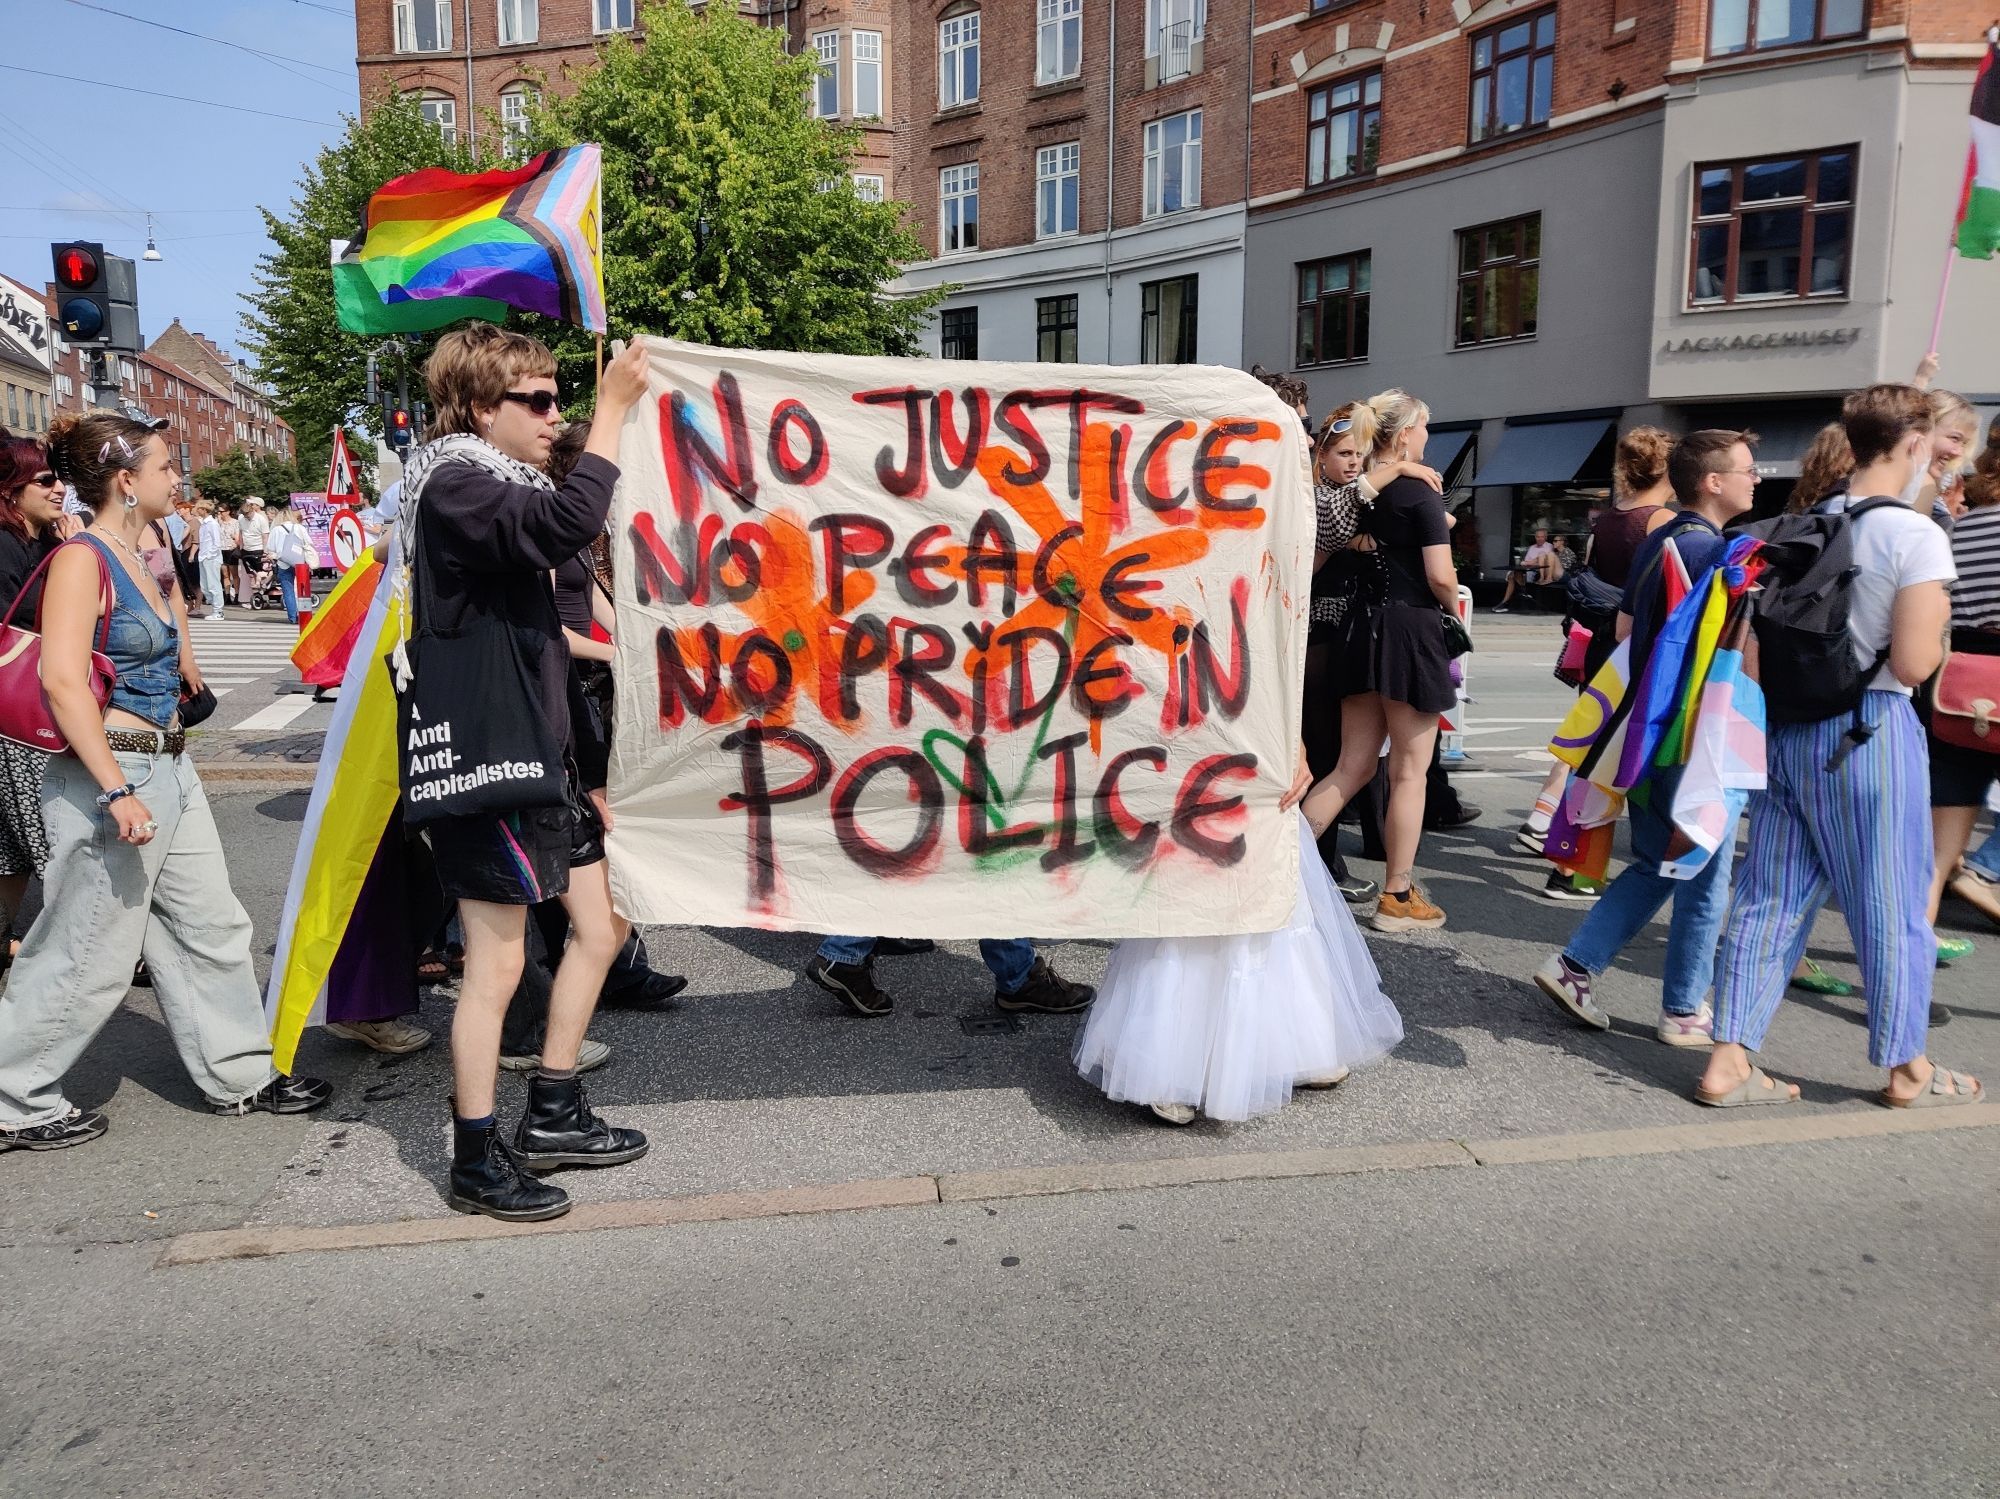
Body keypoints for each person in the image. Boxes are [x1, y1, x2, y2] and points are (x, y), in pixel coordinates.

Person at [0, 411, 332, 1151]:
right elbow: (60, 681)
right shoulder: (83, 557)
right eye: (163, 468)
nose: (176, 479)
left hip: (168, 766)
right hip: (112, 775)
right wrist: (116, 789)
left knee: (210, 925)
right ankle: (13, 1096)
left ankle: (240, 1073)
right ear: (126, 479)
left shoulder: (133, 546)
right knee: (85, 946)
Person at [396, 322, 652, 1222]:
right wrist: (614, 407)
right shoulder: (457, 486)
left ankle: (552, 1107)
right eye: (536, 401)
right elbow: (564, 526)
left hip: (541, 755)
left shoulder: (495, 481)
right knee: (497, 967)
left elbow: (534, 634)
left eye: (562, 397)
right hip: (487, 762)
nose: (557, 415)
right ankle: (475, 1156)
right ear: (477, 406)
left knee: (603, 922)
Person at [1698, 385, 1981, 1109]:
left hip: (1789, 733)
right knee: (1889, 903)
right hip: (1871, 733)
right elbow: (1915, 664)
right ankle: (1906, 1065)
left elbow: (1758, 644)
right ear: (1915, 444)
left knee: (1769, 897)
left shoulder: (1808, 522)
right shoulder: (1915, 535)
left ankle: (1728, 1056)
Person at [1530, 430, 1762, 1044]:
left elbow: (1629, 627)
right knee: (1701, 866)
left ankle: (1575, 964)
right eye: (1746, 468)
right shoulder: (1717, 551)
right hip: (1691, 729)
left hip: (1644, 724)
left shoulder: (1662, 538)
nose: (1756, 477)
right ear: (1712, 482)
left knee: (1664, 860)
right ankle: (1683, 1009)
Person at [1073, 753, 1403, 1125]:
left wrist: (1296, 744)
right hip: (1190, 732)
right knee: (1197, 890)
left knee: (1271, 887)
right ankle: (1171, 1064)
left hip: (1259, 747)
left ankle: (1293, 1047)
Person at [1300, 388, 1457, 932]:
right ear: (1407, 431)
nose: (1428, 439)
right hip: (1409, 631)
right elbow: (1439, 574)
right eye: (1425, 429)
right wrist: (1452, 603)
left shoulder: (1359, 493)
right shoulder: (1420, 491)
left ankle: (1284, 865)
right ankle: (1397, 894)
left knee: (1350, 766)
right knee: (1410, 772)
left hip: (1357, 633)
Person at [1517, 428, 1677, 890]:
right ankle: (1570, 866)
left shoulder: (1608, 519)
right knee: (1609, 756)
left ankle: (1562, 844)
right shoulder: (1660, 521)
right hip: (1636, 644)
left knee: (1591, 744)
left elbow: (1589, 575)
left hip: (1600, 642)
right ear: (1667, 467)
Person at [1924, 413, 2000, 939]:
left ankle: (1909, 965)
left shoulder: (1959, 528)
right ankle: (1991, 869)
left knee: (1935, 857)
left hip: (1959, 689)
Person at [0, 430, 63, 974]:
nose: (59, 487)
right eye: (44, 479)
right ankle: (99, 945)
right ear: (12, 490)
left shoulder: (46, 541)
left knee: (12, 843)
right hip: (19, 712)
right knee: (54, 835)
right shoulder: (5, 545)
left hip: (27, 702)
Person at [266, 501, 312, 624]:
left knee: (288, 590)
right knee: (303, 590)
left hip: (283, 563)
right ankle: (306, 615)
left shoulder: (276, 530)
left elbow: (270, 547)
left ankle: (293, 617)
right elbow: (308, 543)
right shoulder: (300, 528)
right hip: (300, 563)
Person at [1493, 527, 1558, 612]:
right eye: (1538, 537)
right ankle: (1516, 596)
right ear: (1535, 537)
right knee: (1512, 575)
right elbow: (1525, 562)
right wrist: (1528, 563)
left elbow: (1544, 562)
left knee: (1513, 576)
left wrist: (1530, 562)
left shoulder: (1549, 546)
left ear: (1546, 537)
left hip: (1539, 572)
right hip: (1528, 572)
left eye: (1542, 537)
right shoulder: (1531, 548)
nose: (1539, 539)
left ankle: (1508, 601)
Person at [193, 499, 225, 620]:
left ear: (204, 510)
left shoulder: (212, 524)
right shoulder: (204, 524)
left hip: (211, 558)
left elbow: (216, 543)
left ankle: (218, 610)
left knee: (213, 584)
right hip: (204, 557)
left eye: (199, 508)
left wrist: (208, 555)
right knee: (205, 585)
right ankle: (215, 607)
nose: (197, 510)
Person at [236, 495, 268, 606]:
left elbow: (265, 536)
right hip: (246, 549)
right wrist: (241, 547)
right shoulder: (241, 518)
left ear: (252, 510)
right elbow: (241, 532)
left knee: (260, 573)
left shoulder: (261, 519)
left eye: (248, 515)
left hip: (258, 548)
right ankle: (255, 596)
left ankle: (261, 593)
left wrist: (265, 551)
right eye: (245, 515)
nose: (247, 517)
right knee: (250, 574)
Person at [217, 502, 241, 605]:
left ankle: (237, 594)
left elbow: (237, 536)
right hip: (221, 549)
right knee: (225, 574)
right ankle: (227, 595)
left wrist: (235, 542)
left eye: (221, 511)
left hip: (231, 549)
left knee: (234, 574)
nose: (220, 514)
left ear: (228, 512)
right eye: (218, 511)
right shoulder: (218, 522)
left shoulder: (235, 522)